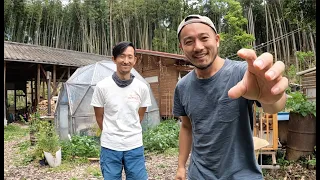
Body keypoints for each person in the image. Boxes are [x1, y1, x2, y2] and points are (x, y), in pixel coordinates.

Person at [173, 14, 288, 180]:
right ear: (181, 47)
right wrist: (181, 166)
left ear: (217, 40)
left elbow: (274, 106)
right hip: (198, 175)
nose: (198, 47)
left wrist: (272, 98)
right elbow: (186, 127)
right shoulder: (182, 87)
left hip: (243, 175)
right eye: (189, 41)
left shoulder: (243, 73)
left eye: (204, 38)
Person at [91, 41, 151, 180]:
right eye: (122, 56)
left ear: (135, 60)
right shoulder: (102, 87)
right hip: (110, 147)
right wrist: (112, 134)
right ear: (114, 59)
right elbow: (99, 117)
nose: (126, 61)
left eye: (130, 57)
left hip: (135, 146)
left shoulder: (142, 88)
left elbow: (139, 116)